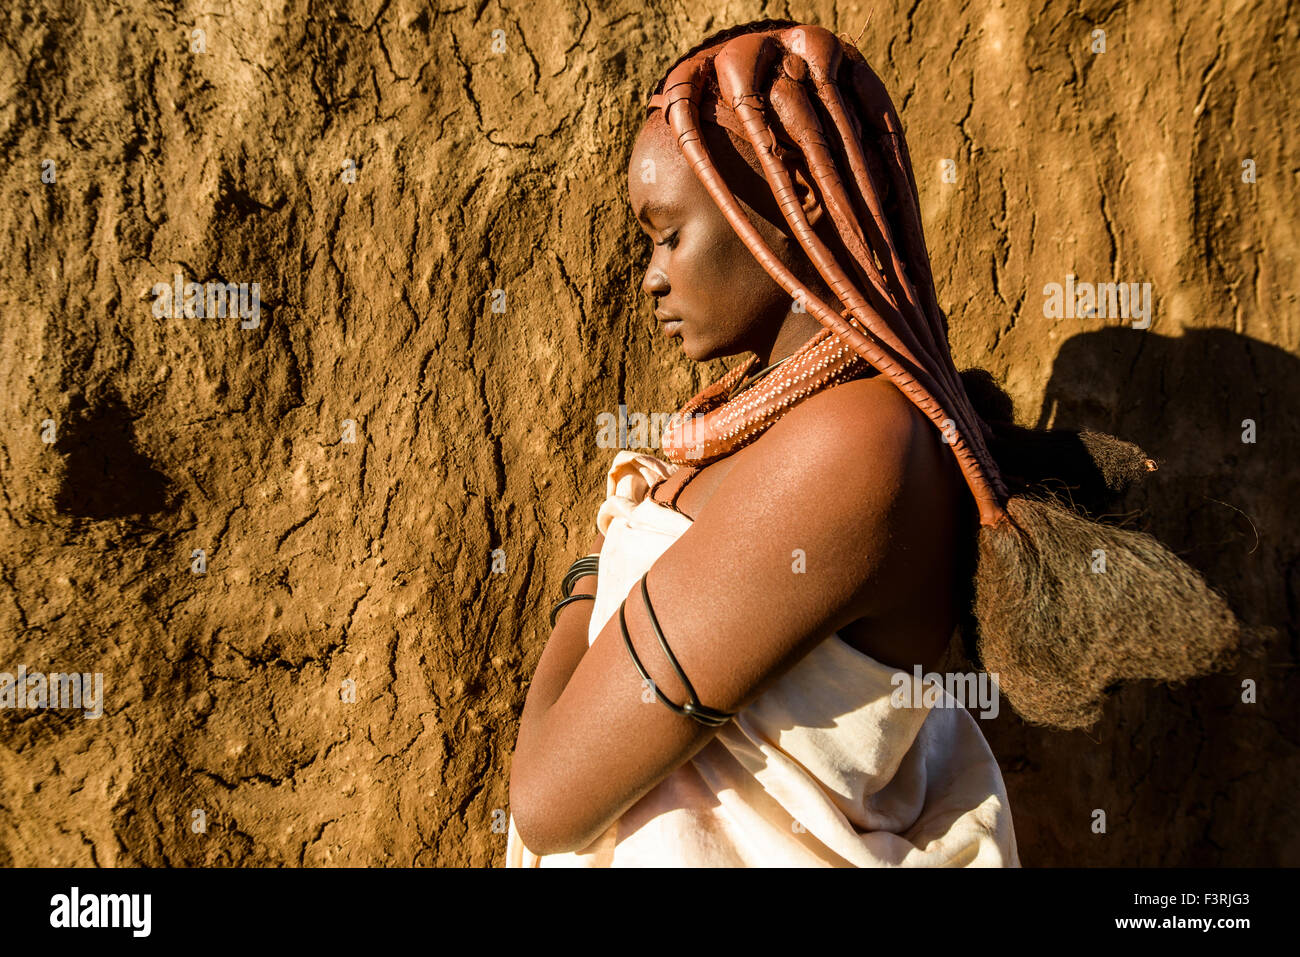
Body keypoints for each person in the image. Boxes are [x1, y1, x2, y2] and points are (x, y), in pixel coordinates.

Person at [504, 18, 1258, 867]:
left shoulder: (851, 443)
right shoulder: (808, 420)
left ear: (799, 197)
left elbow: (546, 799)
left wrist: (591, 570)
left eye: (669, 232)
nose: (652, 273)